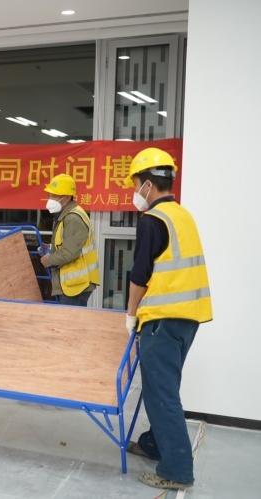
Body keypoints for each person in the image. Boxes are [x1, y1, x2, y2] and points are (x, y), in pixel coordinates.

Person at [123, 148, 212, 491]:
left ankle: (176, 470)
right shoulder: (182, 215)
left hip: (162, 320)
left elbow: (140, 275)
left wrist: (131, 315)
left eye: (136, 184)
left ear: (147, 185)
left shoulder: (153, 220)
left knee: (162, 395)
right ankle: (154, 444)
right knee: (161, 389)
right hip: (187, 320)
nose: (135, 191)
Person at [39, 174, 100, 306]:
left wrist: (49, 260)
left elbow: (69, 252)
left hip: (76, 285)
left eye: (54, 196)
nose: (50, 199)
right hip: (73, 284)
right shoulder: (66, 215)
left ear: (66, 198)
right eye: (50, 195)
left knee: (68, 319)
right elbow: (68, 244)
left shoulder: (73, 218)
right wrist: (50, 248)